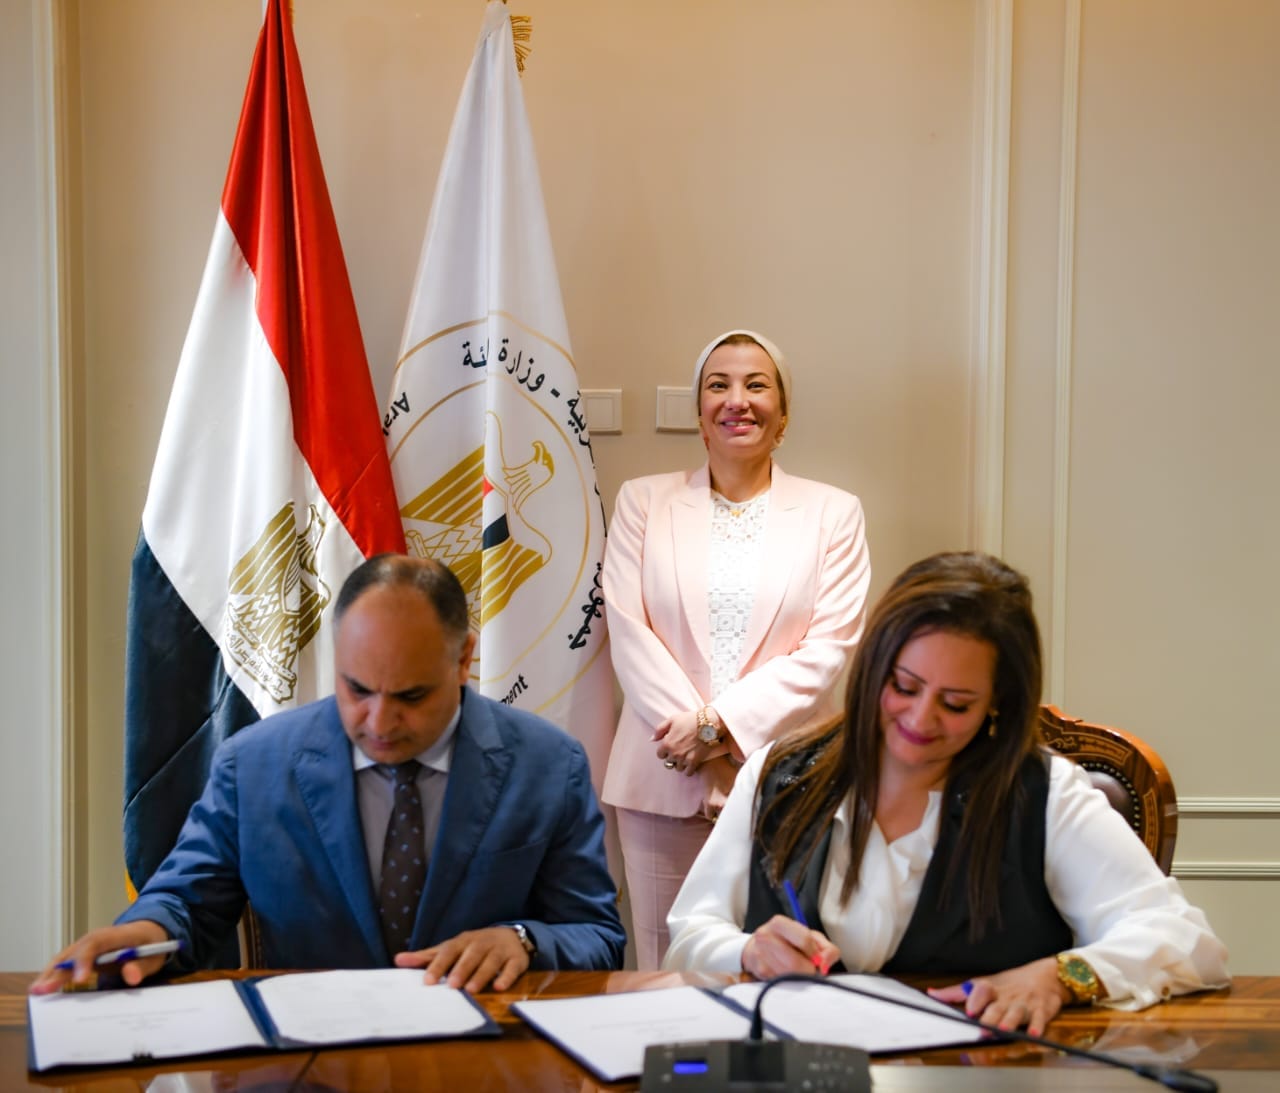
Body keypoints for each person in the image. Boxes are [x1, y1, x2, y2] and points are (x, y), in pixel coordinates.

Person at [664, 552, 1229, 1035]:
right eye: (903, 686)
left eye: (956, 704)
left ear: (997, 702)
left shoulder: (1043, 795)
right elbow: (690, 934)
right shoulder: (778, 774)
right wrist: (747, 950)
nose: (919, 719)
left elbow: (1186, 941)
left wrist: (1061, 976)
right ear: (874, 668)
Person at [34, 555, 625, 995]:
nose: (380, 722)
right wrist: (143, 931)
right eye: (357, 689)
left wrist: (522, 940)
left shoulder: (549, 765)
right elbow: (186, 902)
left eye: (411, 696)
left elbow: (597, 937)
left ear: (464, 658)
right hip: (305, 1064)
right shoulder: (253, 765)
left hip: (486, 1063)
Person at [601, 329, 871, 969]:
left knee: (784, 965)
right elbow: (628, 629)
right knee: (666, 965)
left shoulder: (834, 513)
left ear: (784, 413)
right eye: (718, 385)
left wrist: (716, 729)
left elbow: (828, 648)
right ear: (699, 414)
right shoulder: (643, 501)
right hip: (663, 775)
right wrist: (695, 745)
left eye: (756, 385)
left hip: (788, 779)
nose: (736, 400)